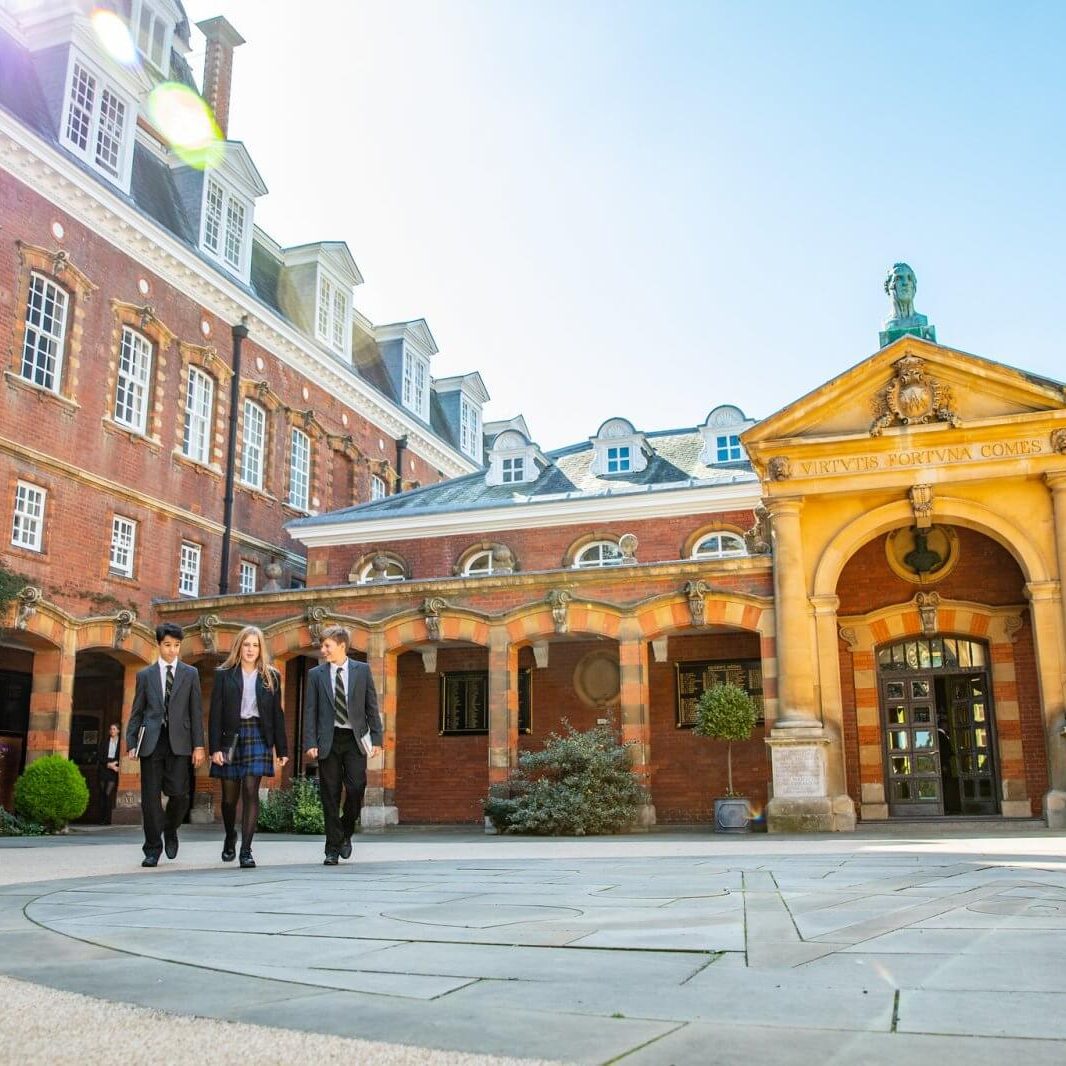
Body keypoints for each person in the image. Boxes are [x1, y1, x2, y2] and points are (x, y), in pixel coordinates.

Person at [126, 623, 205, 867]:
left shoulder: (190, 674)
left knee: (180, 795)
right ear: (159, 645)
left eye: (177, 646)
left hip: (180, 743)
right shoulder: (145, 675)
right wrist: (131, 742)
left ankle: (170, 829)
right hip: (151, 742)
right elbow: (137, 711)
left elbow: (196, 711)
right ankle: (152, 849)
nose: (172, 650)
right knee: (150, 798)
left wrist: (199, 746)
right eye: (168, 645)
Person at [209, 625, 288, 868]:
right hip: (231, 736)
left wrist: (282, 749)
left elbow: (277, 714)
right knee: (230, 798)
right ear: (239, 647)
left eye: (255, 645)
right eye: (246, 644)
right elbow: (215, 714)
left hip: (258, 735)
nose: (251, 649)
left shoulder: (271, 675)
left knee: (251, 791)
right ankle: (230, 836)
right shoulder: (224, 674)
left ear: (260, 648)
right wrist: (215, 749)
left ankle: (246, 850)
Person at [303, 625, 382, 866]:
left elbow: (371, 706)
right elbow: (310, 710)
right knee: (330, 793)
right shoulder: (316, 675)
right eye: (322, 645)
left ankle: (346, 831)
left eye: (327, 645)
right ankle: (331, 848)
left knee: (357, 787)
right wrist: (310, 742)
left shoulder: (362, 671)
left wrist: (377, 738)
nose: (323, 650)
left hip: (354, 740)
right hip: (328, 740)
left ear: (341, 646)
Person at [98, 723, 120, 825]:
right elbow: (100, 756)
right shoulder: (104, 742)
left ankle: (108, 818)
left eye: (114, 729)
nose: (112, 731)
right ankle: (101, 818)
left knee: (108, 793)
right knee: (102, 793)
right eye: (111, 729)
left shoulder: (120, 743)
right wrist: (108, 764)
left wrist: (115, 765)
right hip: (105, 767)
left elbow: (122, 755)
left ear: (118, 731)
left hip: (114, 769)